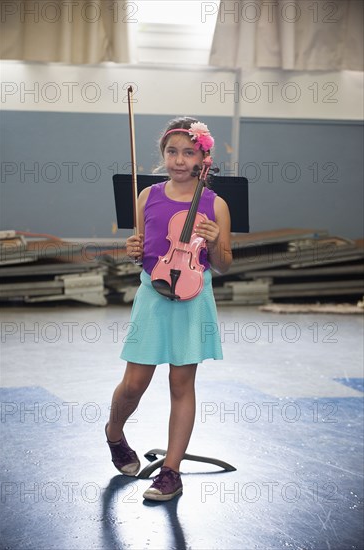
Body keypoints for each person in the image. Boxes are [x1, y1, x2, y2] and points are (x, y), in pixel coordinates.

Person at [105, 117, 232, 501]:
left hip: (193, 296)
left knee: (182, 384)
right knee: (134, 384)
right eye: (171, 152)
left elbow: (224, 263)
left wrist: (211, 243)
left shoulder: (216, 204)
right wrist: (131, 252)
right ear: (163, 156)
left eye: (188, 152)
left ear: (202, 157)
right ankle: (114, 433)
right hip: (154, 295)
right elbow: (142, 252)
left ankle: (171, 472)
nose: (179, 160)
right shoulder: (148, 196)